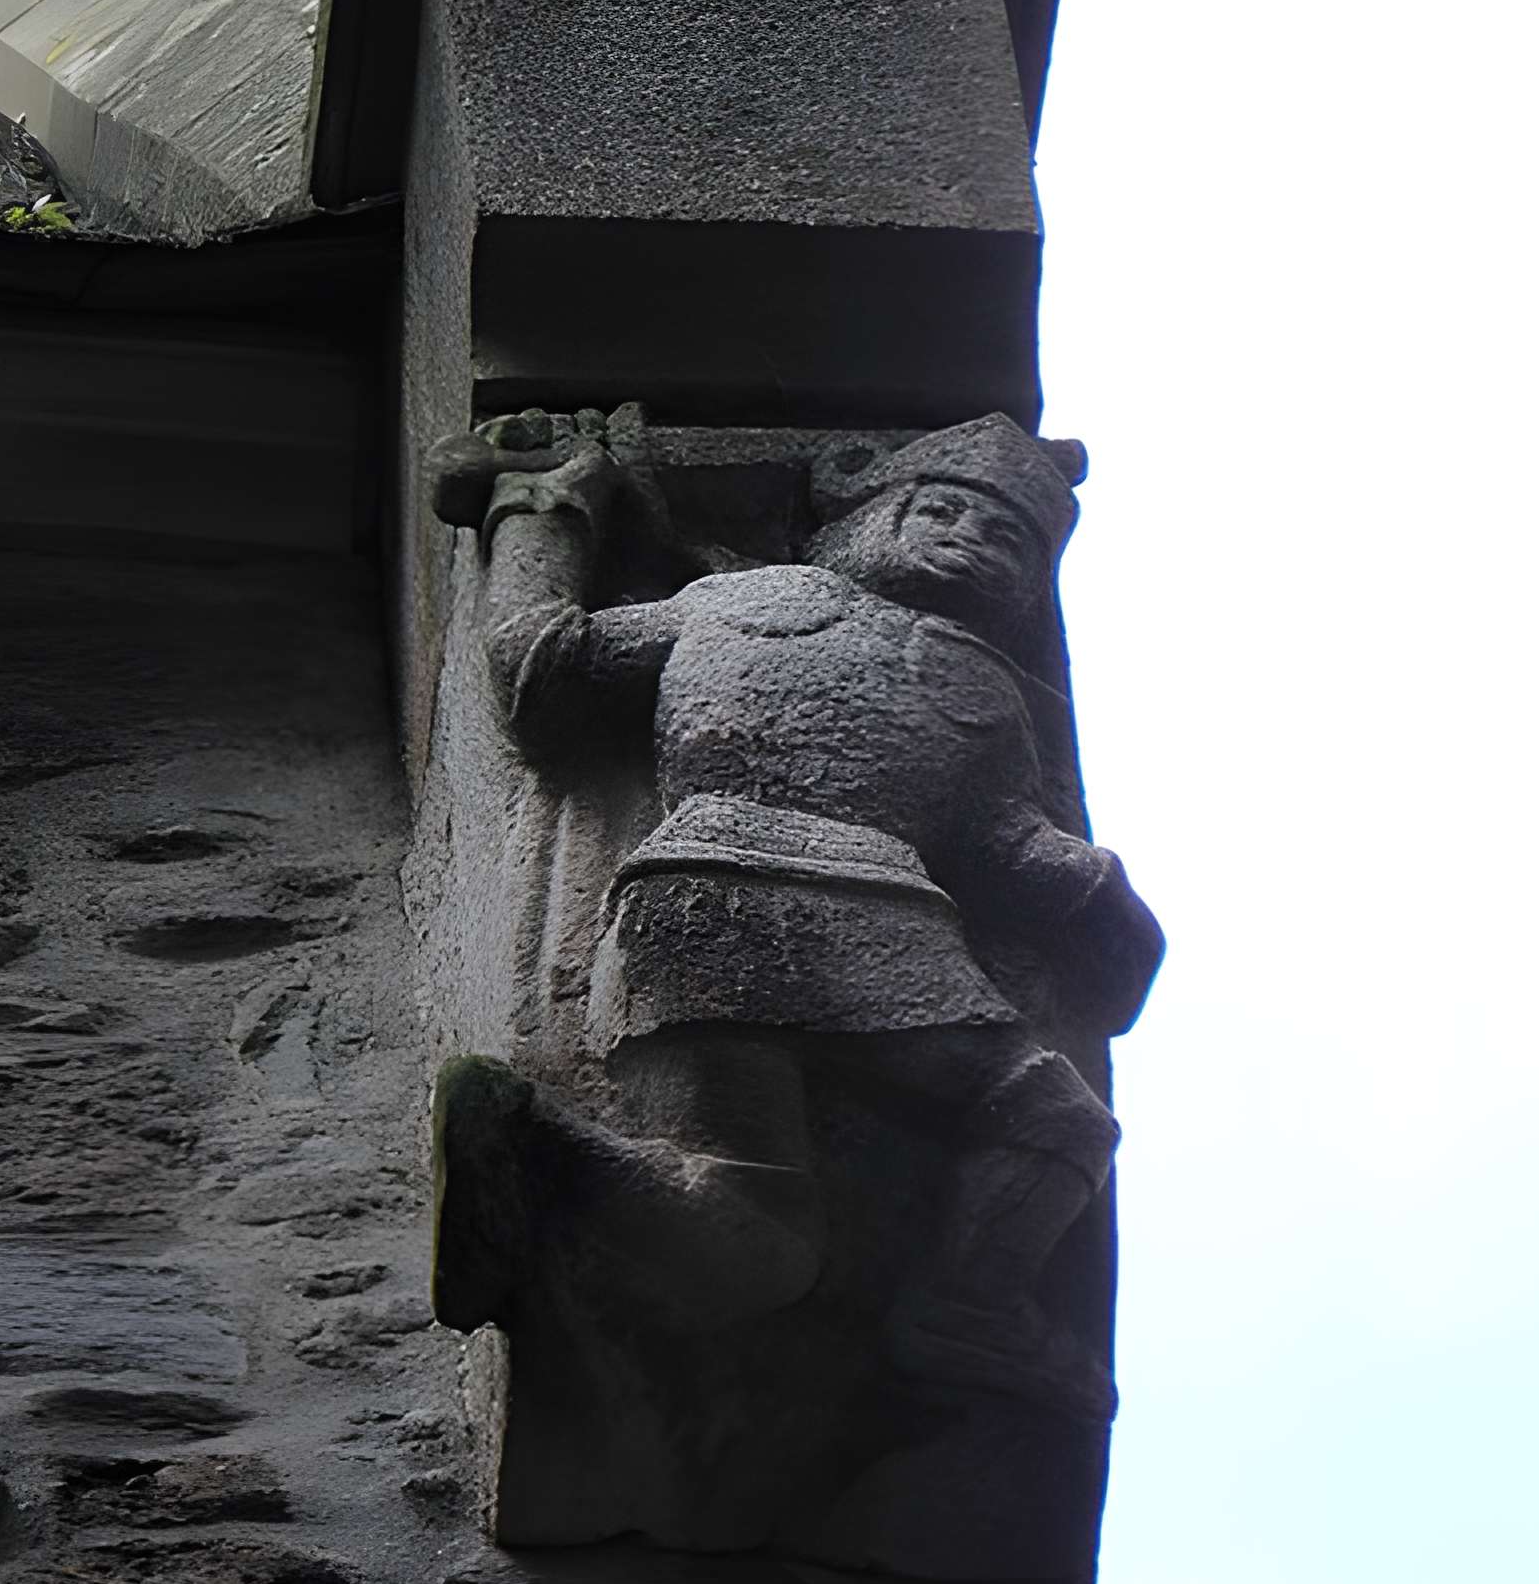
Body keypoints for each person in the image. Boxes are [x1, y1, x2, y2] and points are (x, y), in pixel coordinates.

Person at [432, 412, 1163, 1422]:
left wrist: (539, 510)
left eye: (1003, 539)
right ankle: (968, 1305)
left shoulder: (815, 629)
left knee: (756, 1218)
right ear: (868, 516)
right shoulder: (878, 648)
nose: (968, 540)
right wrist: (1101, 897)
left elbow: (537, 662)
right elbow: (545, 674)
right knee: (1050, 1117)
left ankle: (532, 1151)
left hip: (727, 907)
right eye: (940, 511)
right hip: (836, 919)